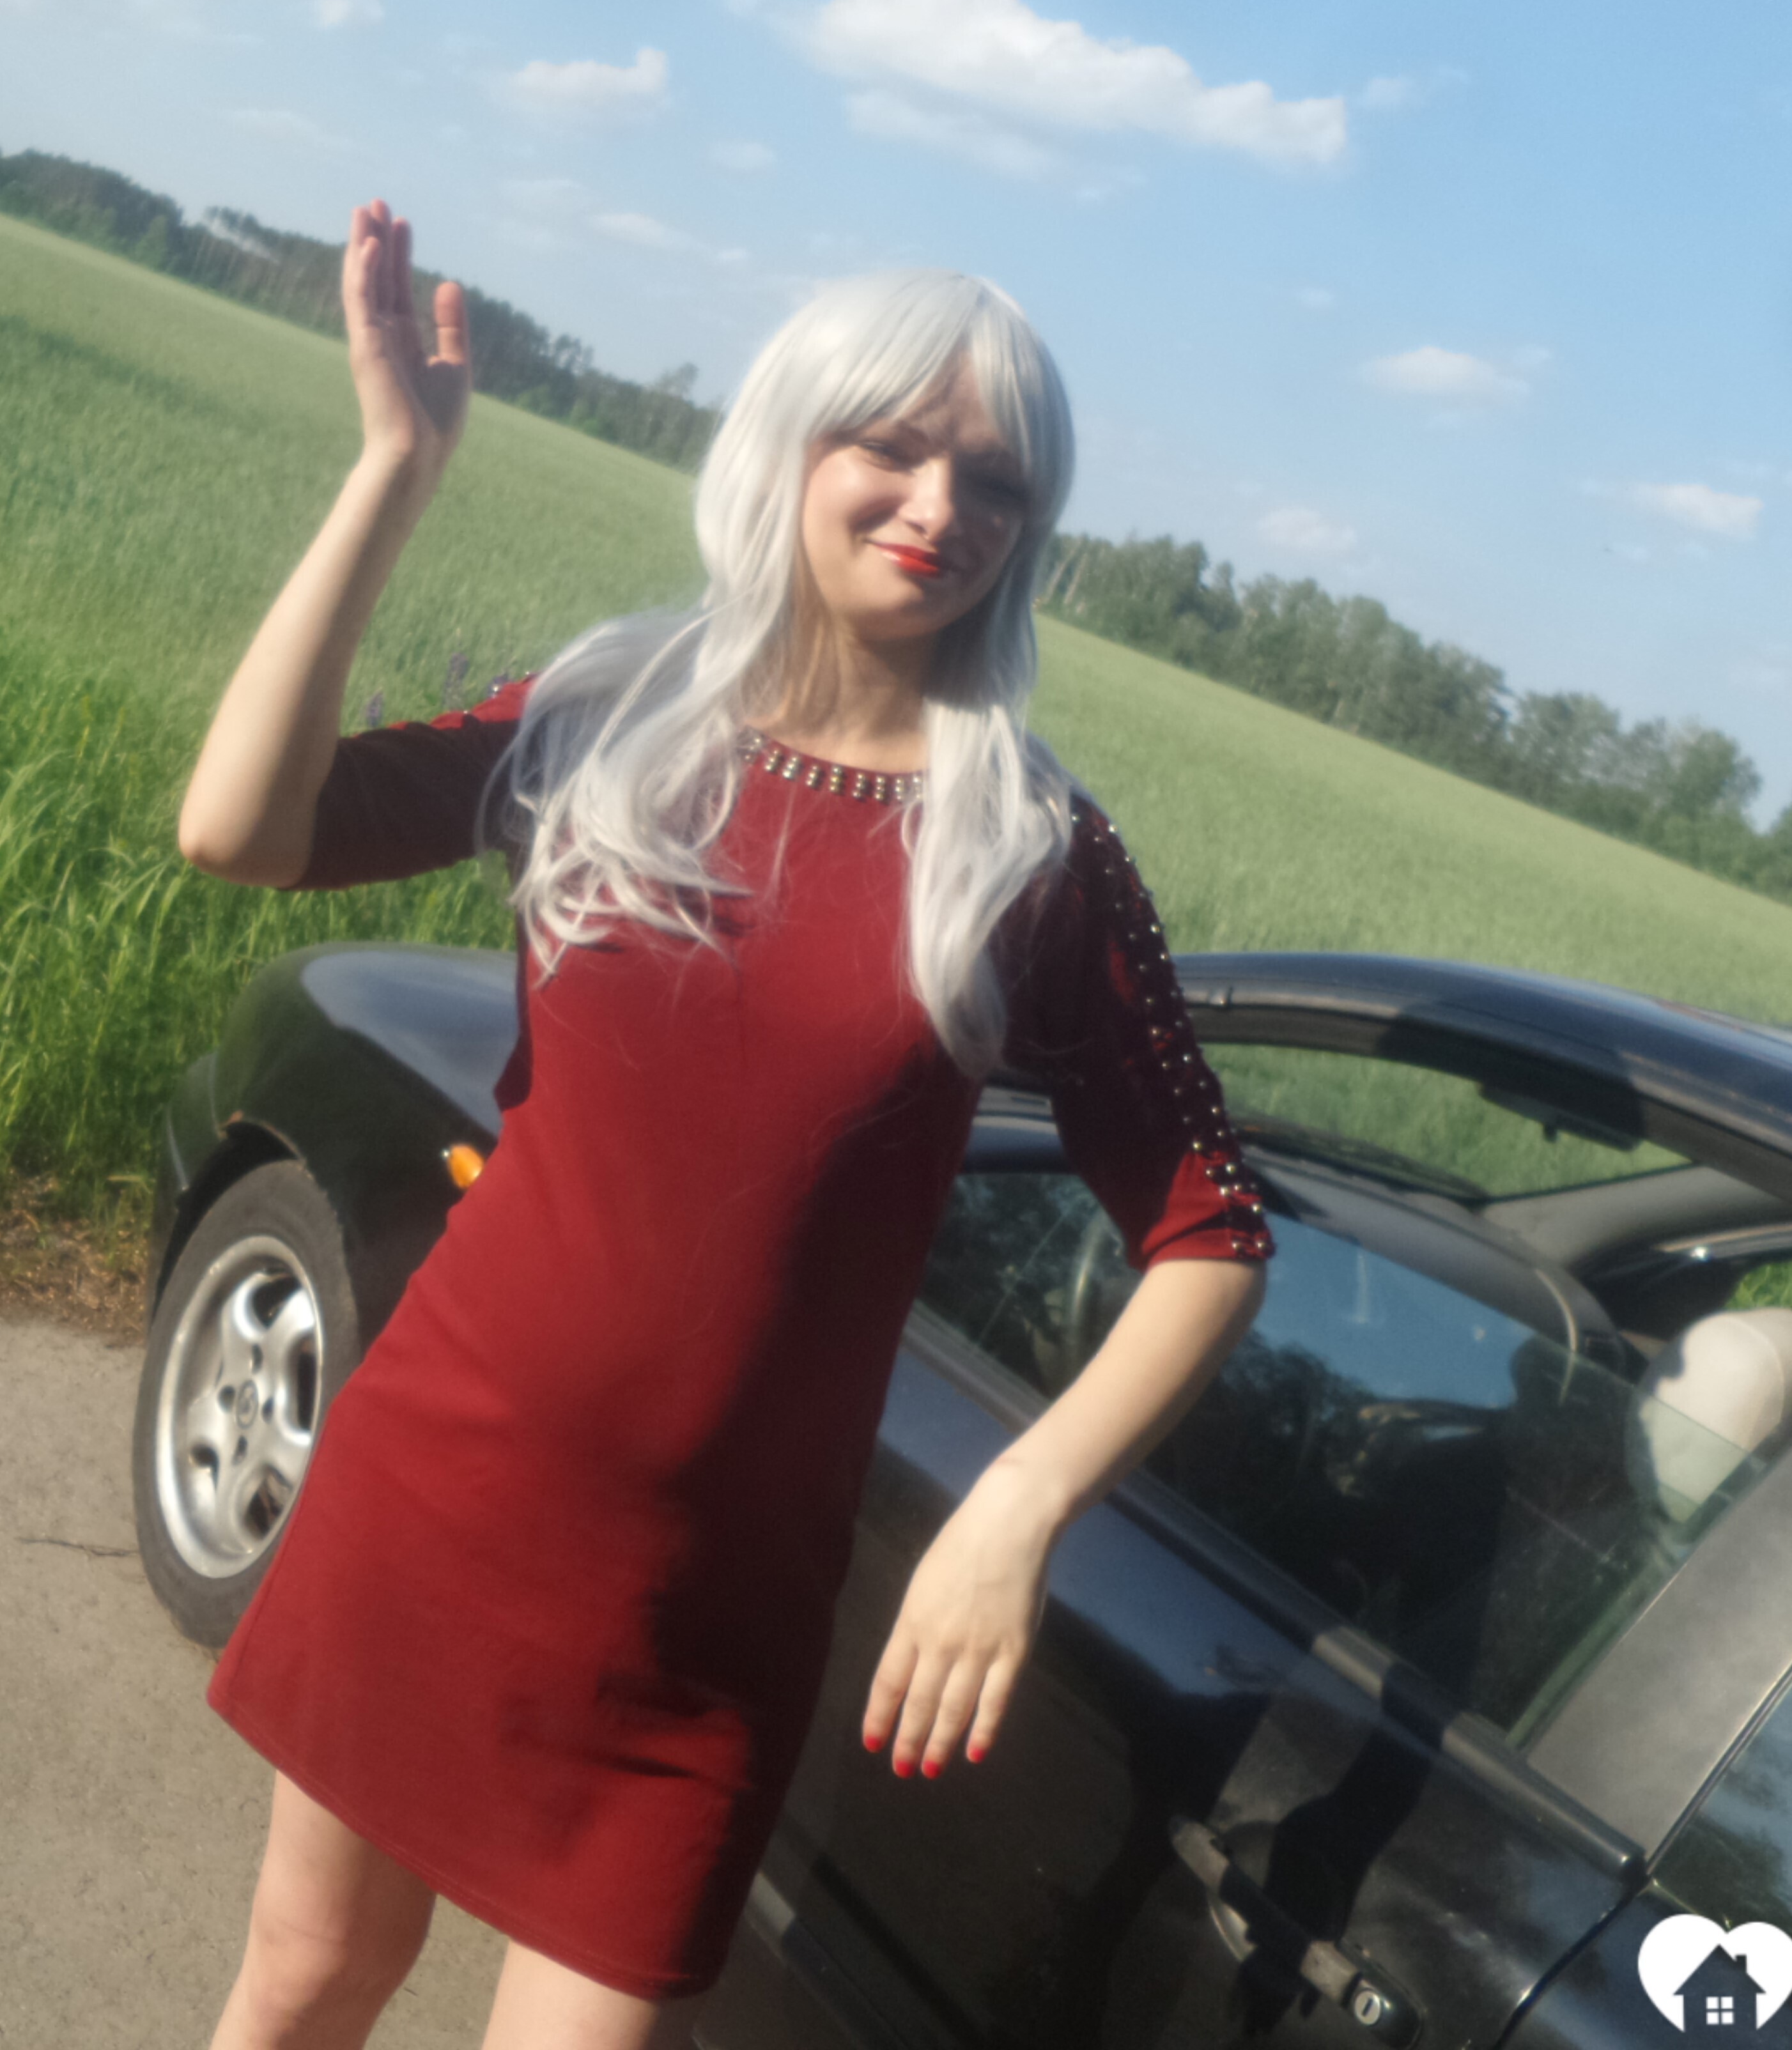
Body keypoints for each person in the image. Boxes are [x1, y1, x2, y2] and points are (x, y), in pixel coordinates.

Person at [177, 199, 1274, 2050]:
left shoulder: (1034, 851)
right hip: (436, 1497)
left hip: (696, 1634)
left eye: (997, 482)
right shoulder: (610, 717)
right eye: (893, 445)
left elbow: (1212, 1232)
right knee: (307, 1983)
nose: (941, 505)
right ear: (794, 442)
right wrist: (393, 473)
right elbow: (241, 828)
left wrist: (1017, 1506)